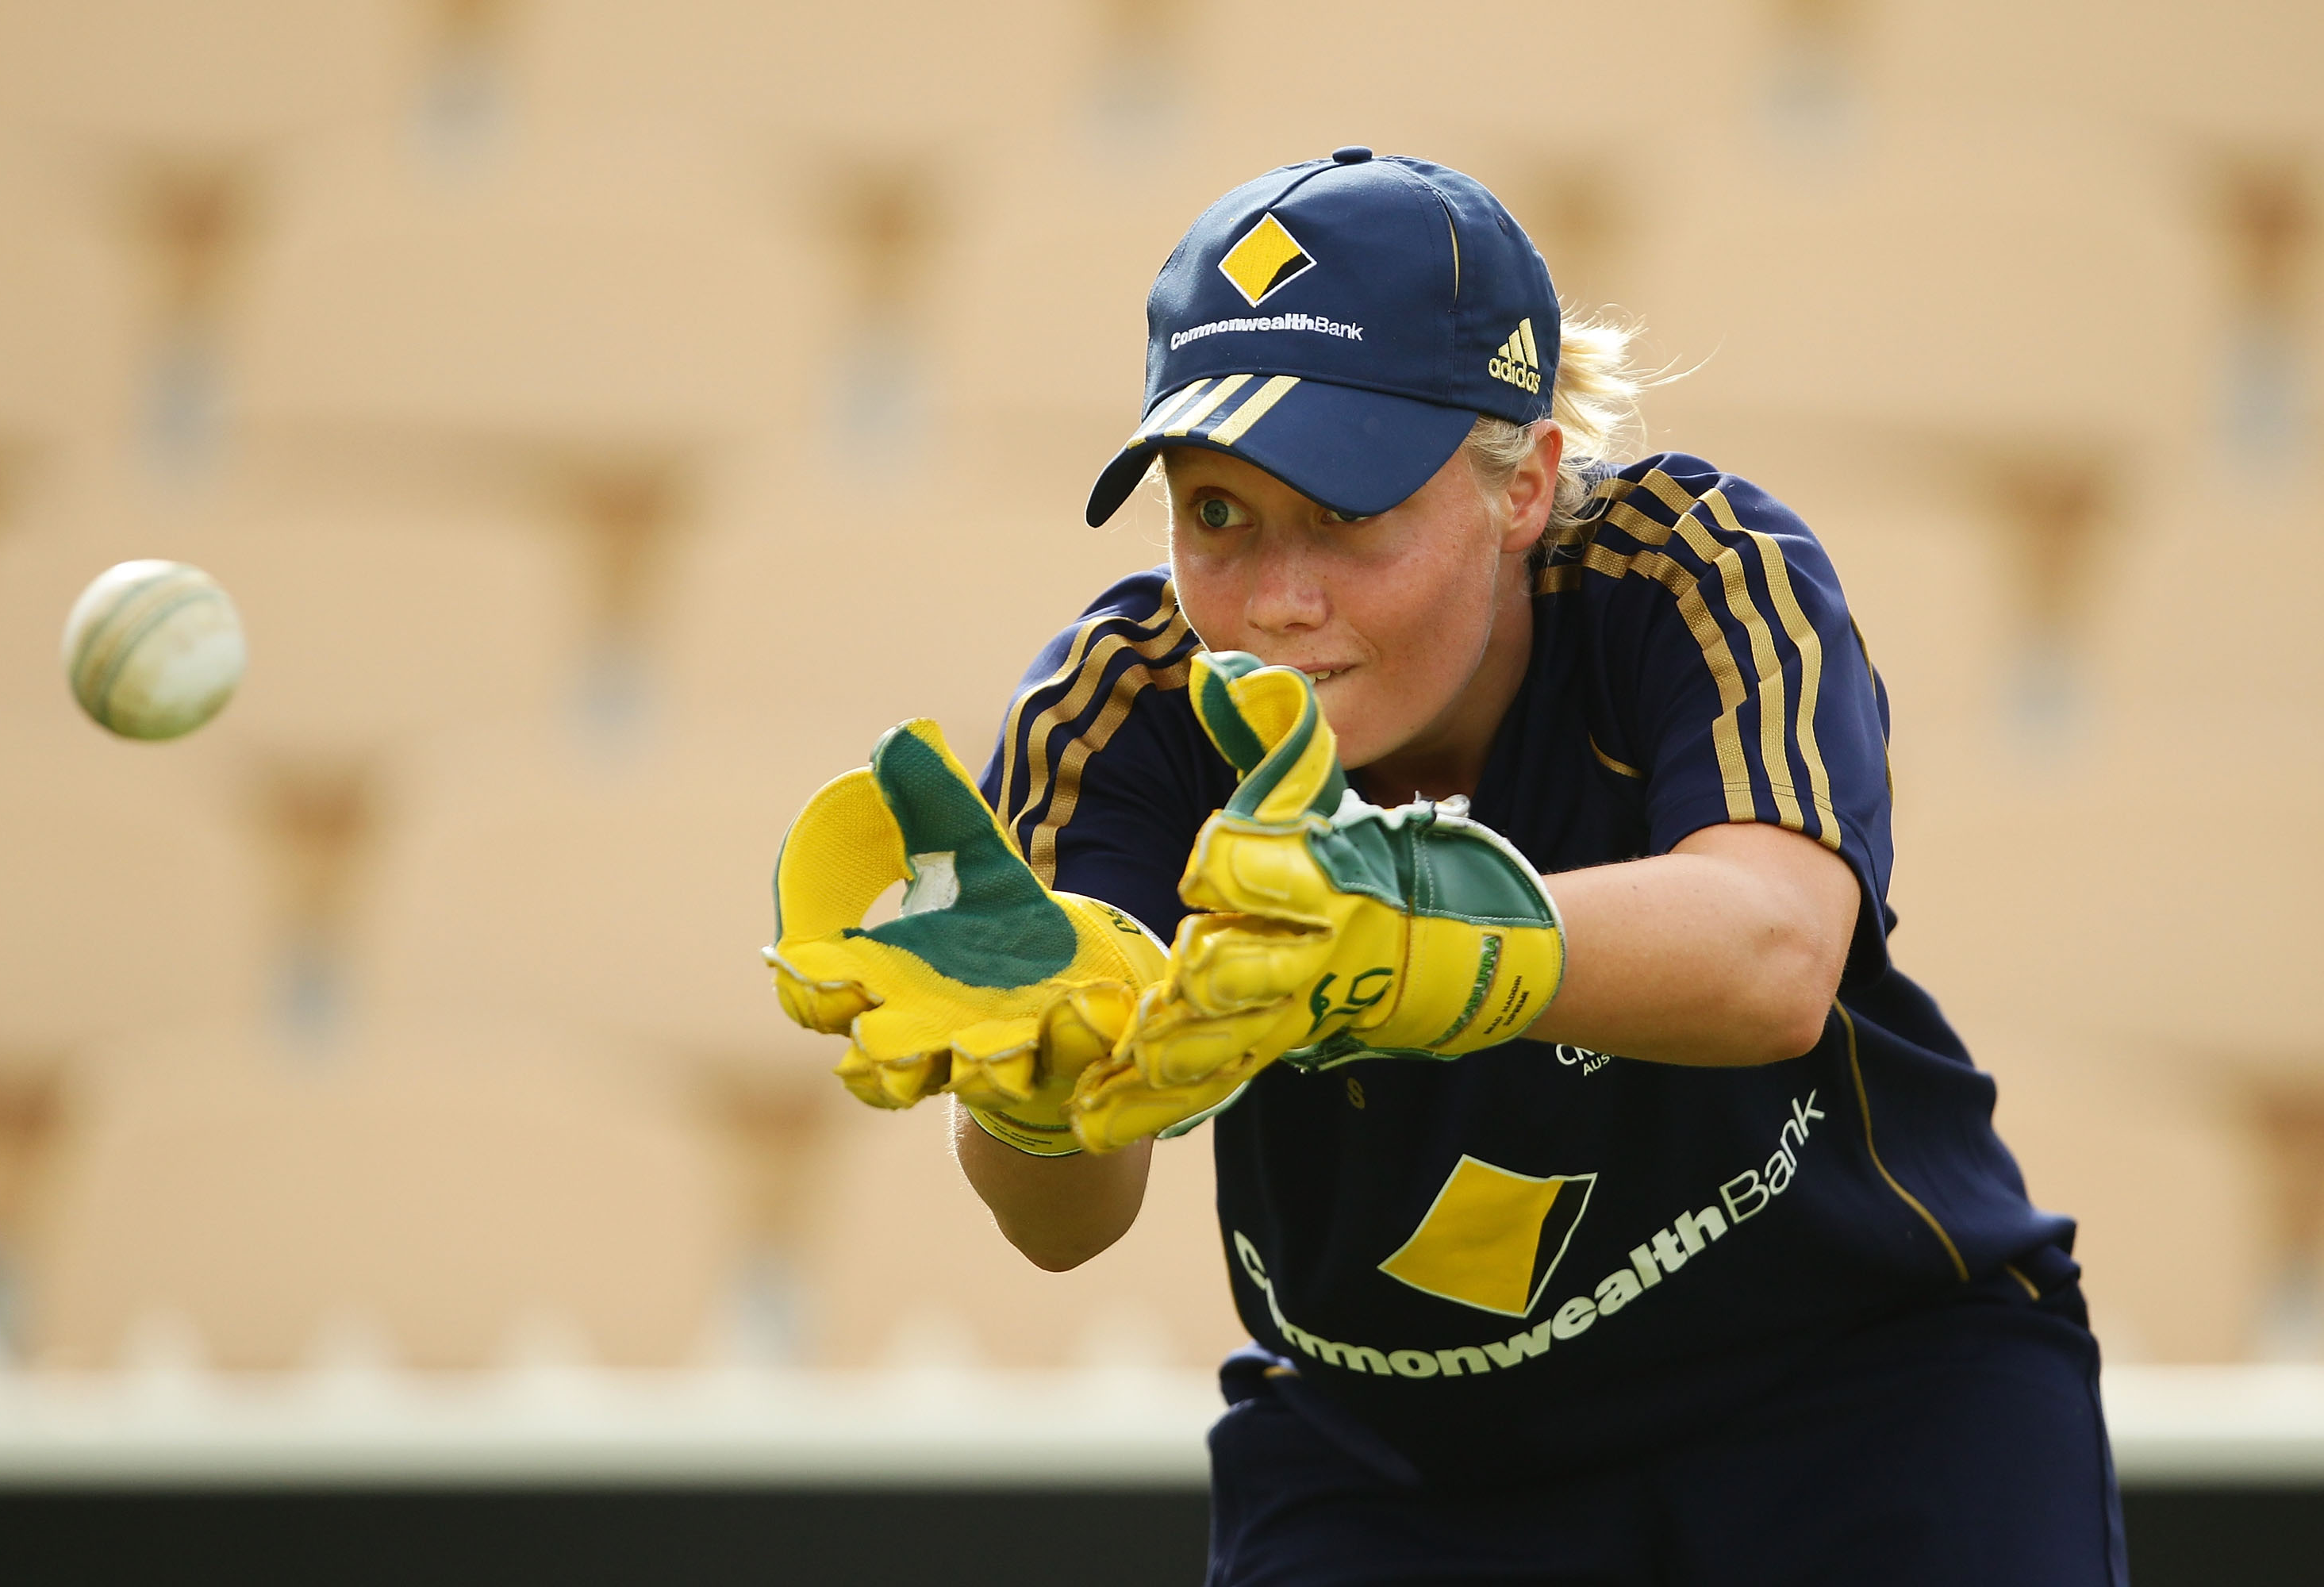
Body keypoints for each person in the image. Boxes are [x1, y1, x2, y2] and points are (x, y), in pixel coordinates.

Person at [766, 149, 2125, 1585]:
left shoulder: (1693, 574)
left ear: (1524, 483)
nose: (1277, 602)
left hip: (1867, 1386)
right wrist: (1038, 1094)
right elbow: (1067, 1231)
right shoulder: (1120, 708)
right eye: (1217, 513)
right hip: (1389, 1464)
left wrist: (1413, 934)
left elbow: (1776, 957)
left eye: (1346, 512)